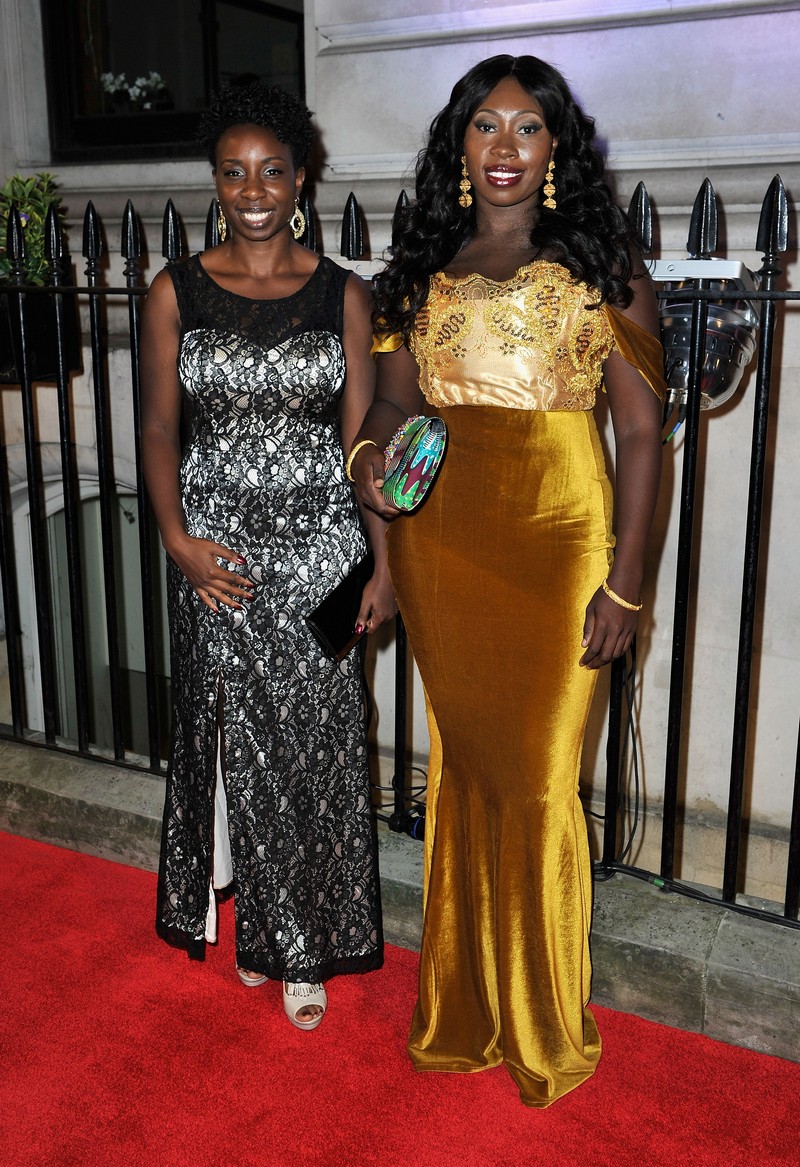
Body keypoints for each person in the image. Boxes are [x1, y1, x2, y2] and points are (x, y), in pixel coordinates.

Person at [349, 55, 665, 1103]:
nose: (504, 147)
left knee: (535, 780)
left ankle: (539, 1021)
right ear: (460, 144)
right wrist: (370, 464)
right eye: (485, 126)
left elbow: (639, 431)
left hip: (558, 538)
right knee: (465, 772)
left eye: (527, 128)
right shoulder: (421, 267)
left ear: (555, 148)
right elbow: (390, 408)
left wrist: (625, 582)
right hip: (443, 542)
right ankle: (467, 1005)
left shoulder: (601, 266)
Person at [141, 83, 392, 1030]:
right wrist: (177, 541)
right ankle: (269, 930)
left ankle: (304, 942)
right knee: (237, 742)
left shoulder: (345, 293)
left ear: (300, 179)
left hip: (326, 550)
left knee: (321, 741)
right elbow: (158, 429)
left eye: (271, 172)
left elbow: (363, 443)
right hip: (220, 556)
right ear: (215, 181)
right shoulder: (176, 290)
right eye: (234, 173)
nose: (253, 191)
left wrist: (383, 566)